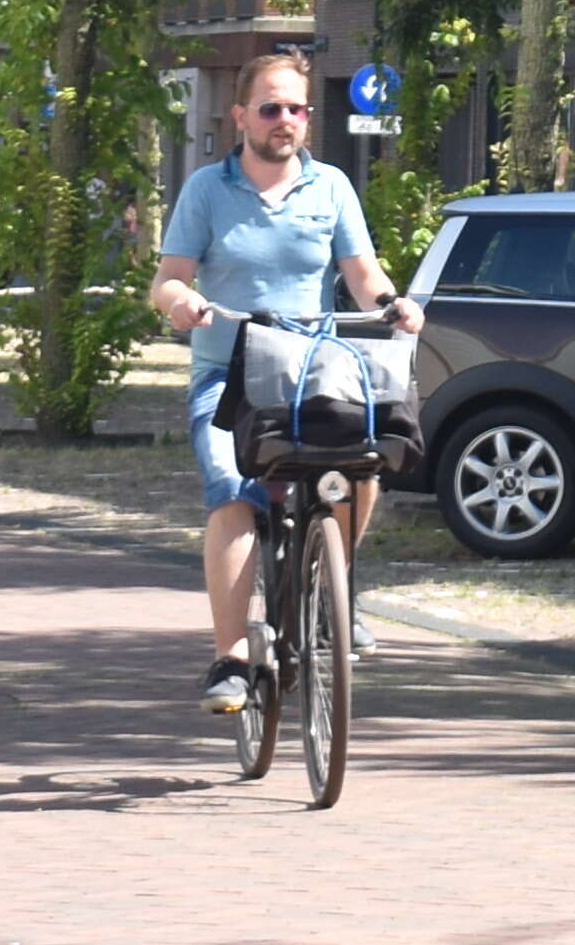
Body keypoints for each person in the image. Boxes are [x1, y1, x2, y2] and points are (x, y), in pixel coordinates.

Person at [148, 47, 411, 707]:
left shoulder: (331, 188)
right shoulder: (209, 190)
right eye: (271, 108)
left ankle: (331, 589)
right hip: (229, 375)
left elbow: (362, 273)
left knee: (367, 460)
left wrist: (392, 305)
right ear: (241, 116)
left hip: (311, 372)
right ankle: (231, 657)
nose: (285, 120)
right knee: (235, 492)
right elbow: (169, 278)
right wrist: (183, 303)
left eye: (297, 108)